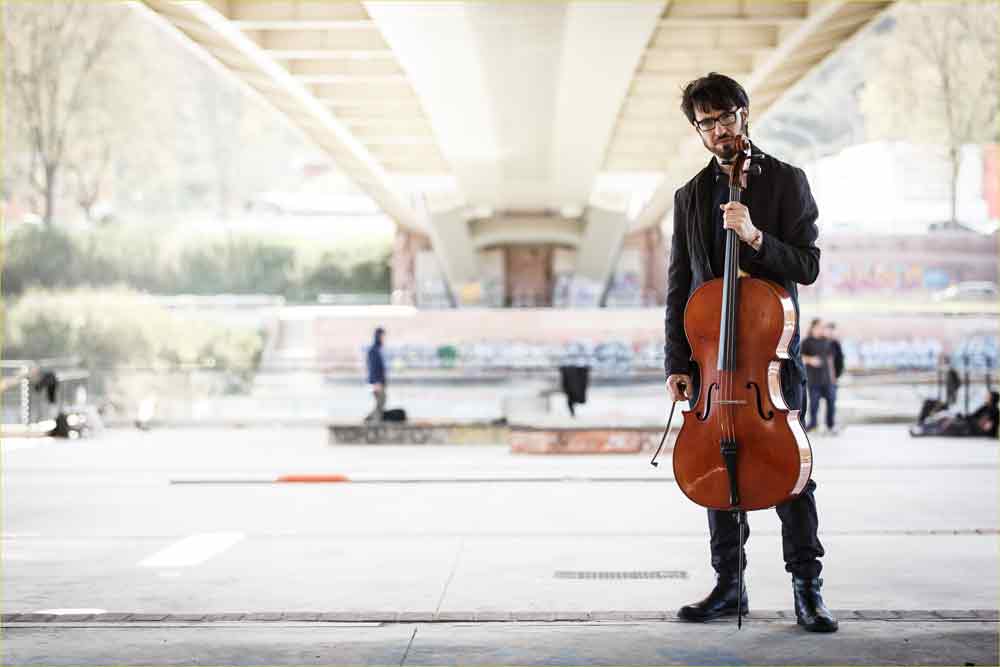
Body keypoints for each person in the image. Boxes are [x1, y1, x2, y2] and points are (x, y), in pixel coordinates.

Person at [663, 73, 837, 633]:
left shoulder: (787, 182)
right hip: (714, 368)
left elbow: (807, 266)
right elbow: (680, 288)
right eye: (705, 123)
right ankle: (728, 585)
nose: (717, 131)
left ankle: (807, 589)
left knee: (792, 476)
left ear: (744, 113)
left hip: (772, 367)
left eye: (724, 117)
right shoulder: (689, 196)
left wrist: (757, 238)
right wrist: (677, 365)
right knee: (716, 464)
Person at [802, 319, 837, 434]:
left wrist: (833, 378)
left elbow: (830, 360)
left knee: (831, 403)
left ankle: (830, 425)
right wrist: (810, 360)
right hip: (813, 380)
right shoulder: (806, 342)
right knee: (814, 404)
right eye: (818, 327)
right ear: (812, 328)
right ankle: (813, 425)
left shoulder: (826, 341)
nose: (820, 329)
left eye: (822, 327)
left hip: (827, 380)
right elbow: (800, 357)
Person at [364, 327, 387, 423]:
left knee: (381, 401)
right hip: (376, 383)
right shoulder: (373, 350)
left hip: (378, 382)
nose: (384, 338)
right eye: (383, 336)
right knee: (381, 400)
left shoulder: (377, 350)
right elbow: (373, 368)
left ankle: (371, 420)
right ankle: (372, 421)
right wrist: (376, 382)